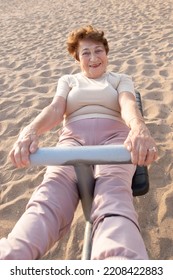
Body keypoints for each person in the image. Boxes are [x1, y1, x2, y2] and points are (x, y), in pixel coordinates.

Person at [0, 25, 158, 260]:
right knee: (50, 196)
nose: (93, 58)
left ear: (106, 53)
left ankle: (120, 262)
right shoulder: (69, 80)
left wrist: (138, 128)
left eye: (98, 51)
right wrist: (30, 131)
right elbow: (55, 109)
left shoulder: (120, 79)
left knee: (113, 195)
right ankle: (10, 259)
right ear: (77, 58)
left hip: (114, 139)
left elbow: (128, 104)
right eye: (86, 53)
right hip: (73, 140)